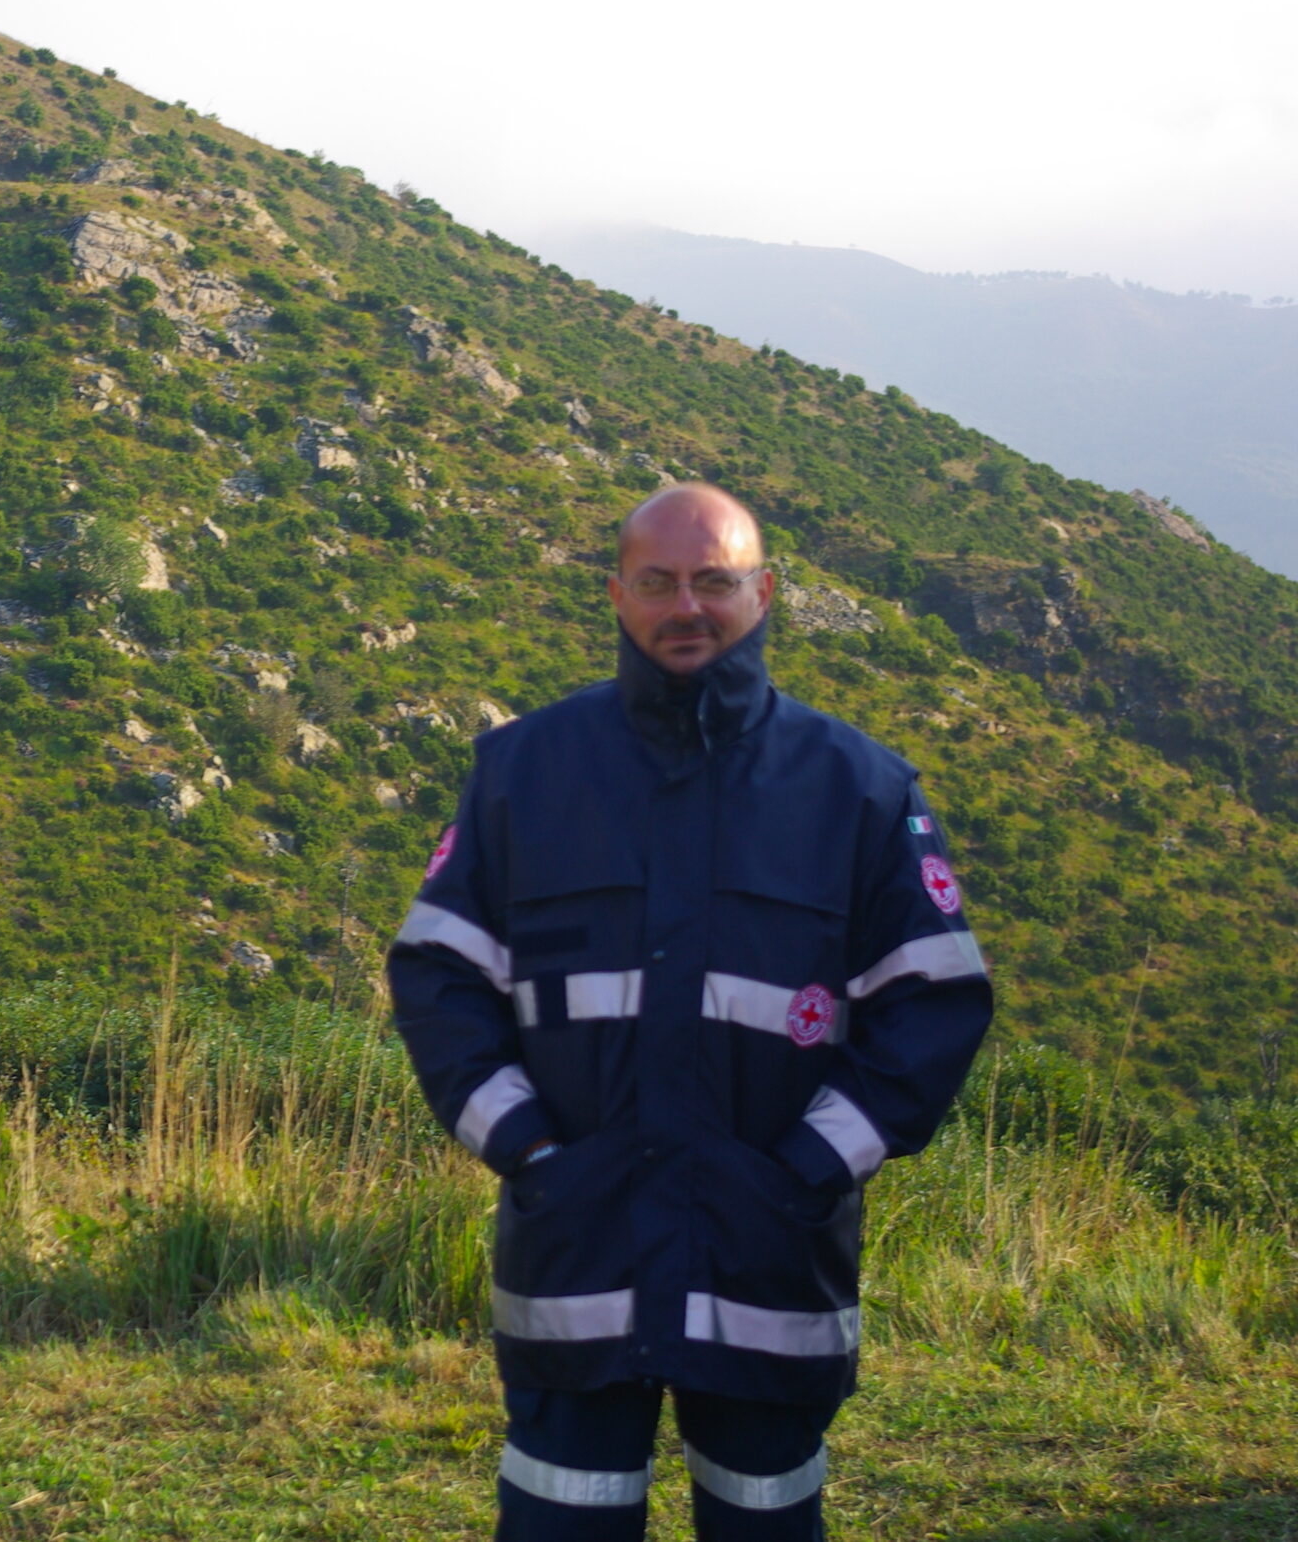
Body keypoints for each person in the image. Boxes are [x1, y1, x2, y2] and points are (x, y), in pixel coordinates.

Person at [387, 483, 991, 1540]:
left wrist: (809, 1169)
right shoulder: (521, 773)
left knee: (764, 1518)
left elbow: (933, 1001)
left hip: (768, 1256)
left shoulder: (859, 787)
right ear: (616, 593)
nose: (688, 606)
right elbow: (438, 981)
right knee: (561, 1518)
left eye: (714, 581)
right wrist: (529, 1150)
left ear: (763, 594)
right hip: (578, 1252)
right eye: (660, 582)